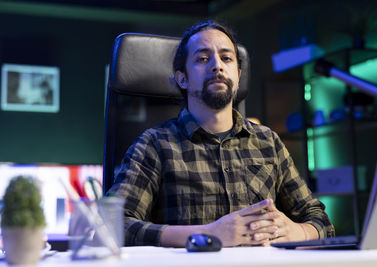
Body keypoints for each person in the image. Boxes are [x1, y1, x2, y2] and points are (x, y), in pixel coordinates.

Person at [107, 20, 335, 248]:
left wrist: (298, 231)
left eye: (226, 58)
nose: (217, 66)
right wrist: (206, 234)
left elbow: (321, 221)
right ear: (182, 78)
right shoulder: (155, 144)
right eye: (202, 59)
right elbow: (112, 225)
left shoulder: (268, 142)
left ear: (237, 76)